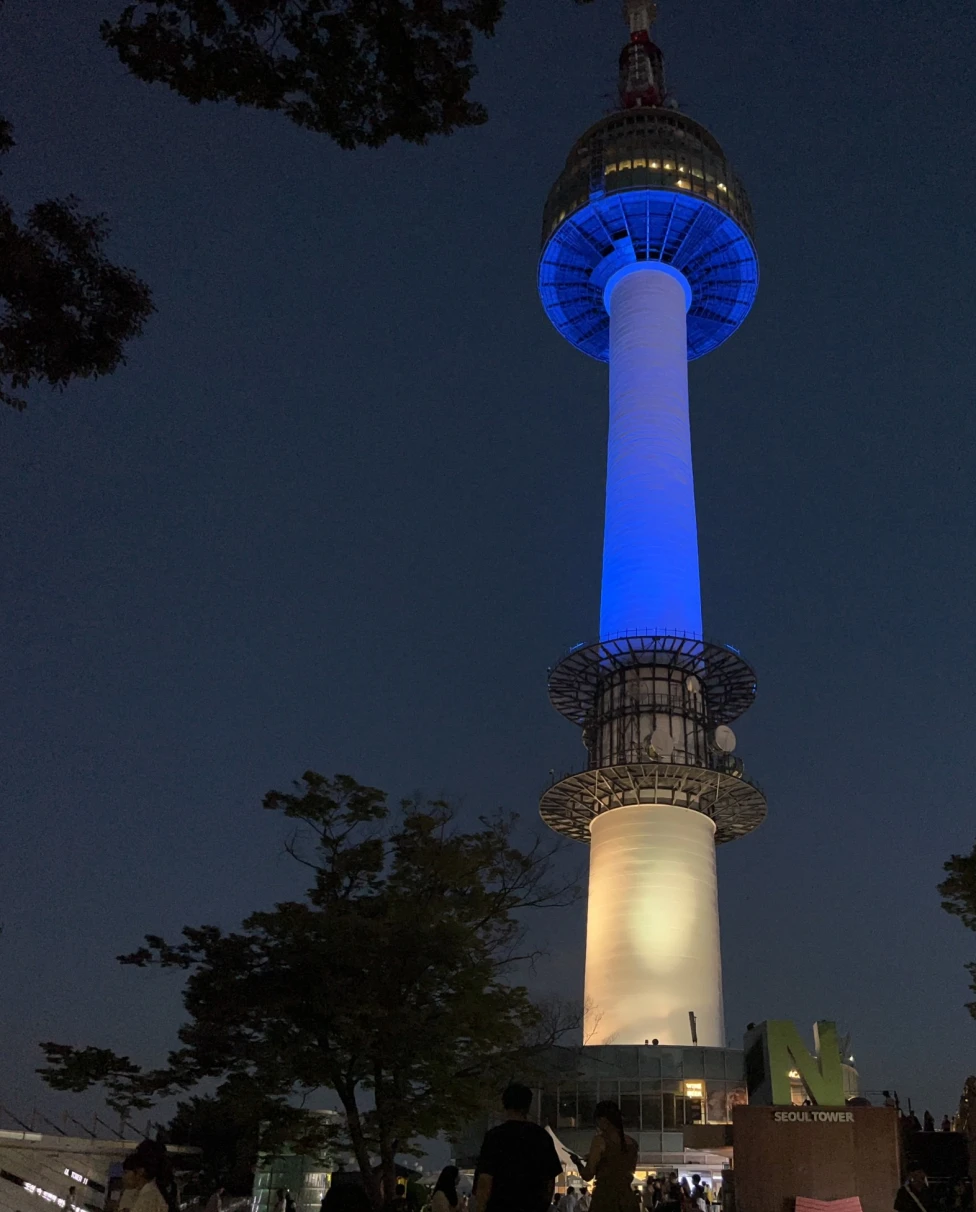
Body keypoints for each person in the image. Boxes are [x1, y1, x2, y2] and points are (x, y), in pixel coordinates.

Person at [474, 1083, 563, 1212]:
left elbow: (485, 1179)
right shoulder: (541, 1136)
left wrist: (480, 1207)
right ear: (528, 1106)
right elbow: (550, 1180)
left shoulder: (494, 1136)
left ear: (504, 1104)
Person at [572, 1100, 638, 1212]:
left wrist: (578, 1163)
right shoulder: (632, 1143)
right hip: (628, 1199)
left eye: (597, 1121)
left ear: (603, 1120)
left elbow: (588, 1175)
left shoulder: (600, 1141)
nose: (597, 1125)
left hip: (605, 1200)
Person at [122, 1142, 179, 1212]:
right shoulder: (159, 1191)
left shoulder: (147, 1198)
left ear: (140, 1171)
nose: (123, 1176)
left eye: (126, 1172)